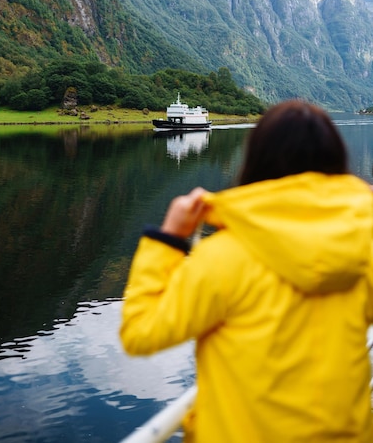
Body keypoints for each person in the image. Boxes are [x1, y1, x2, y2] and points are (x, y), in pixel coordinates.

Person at [120, 100, 373, 443]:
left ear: (256, 160)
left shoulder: (222, 258)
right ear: (337, 164)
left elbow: (140, 332)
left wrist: (168, 239)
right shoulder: (363, 249)